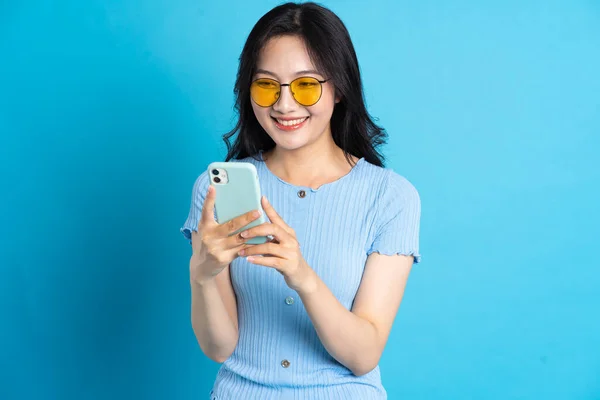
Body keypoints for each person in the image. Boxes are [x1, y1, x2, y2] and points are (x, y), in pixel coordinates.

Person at [180, 2, 421, 399]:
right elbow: (218, 347)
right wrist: (201, 274)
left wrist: (302, 275)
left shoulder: (390, 197)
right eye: (266, 85)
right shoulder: (214, 190)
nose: (284, 104)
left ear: (339, 88)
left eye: (306, 85)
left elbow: (363, 354)